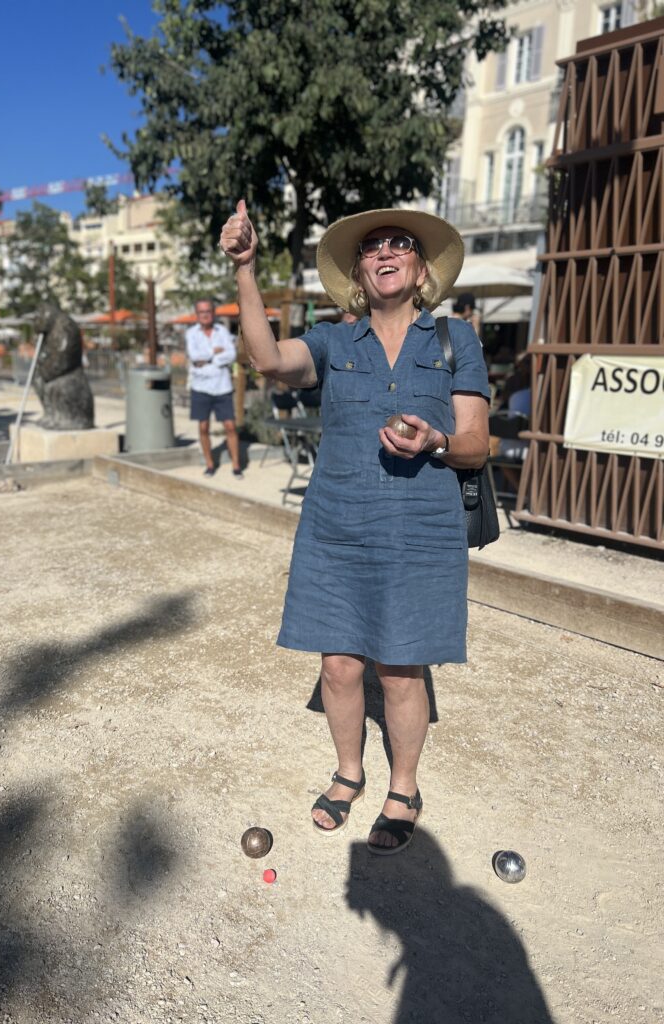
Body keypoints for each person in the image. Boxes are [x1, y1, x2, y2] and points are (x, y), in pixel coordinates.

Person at [221, 200, 489, 855]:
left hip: (420, 530)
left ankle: (404, 788)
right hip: (336, 525)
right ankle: (348, 773)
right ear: (359, 273)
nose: (385, 252)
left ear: (421, 269)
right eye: (372, 247)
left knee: (400, 670)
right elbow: (267, 359)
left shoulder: (454, 339)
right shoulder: (333, 341)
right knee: (339, 666)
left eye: (400, 243)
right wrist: (246, 268)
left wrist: (434, 441)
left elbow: (477, 445)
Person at [185, 298, 243, 478]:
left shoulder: (222, 331)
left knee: (230, 426)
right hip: (200, 386)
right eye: (201, 312)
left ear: (213, 313)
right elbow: (194, 356)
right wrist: (215, 352)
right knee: (203, 427)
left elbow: (231, 354)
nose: (205, 315)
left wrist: (210, 360)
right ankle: (210, 464)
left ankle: (236, 465)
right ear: (197, 314)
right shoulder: (191, 333)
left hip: (222, 386)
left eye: (208, 311)